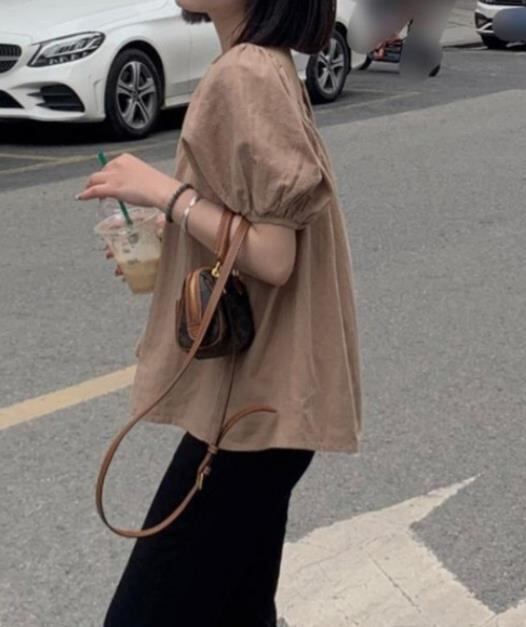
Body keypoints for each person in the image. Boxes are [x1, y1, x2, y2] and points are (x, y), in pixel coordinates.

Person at [78, 1, 362, 625]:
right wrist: (173, 229)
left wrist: (162, 192)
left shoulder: (245, 73)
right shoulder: (263, 64)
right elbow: (256, 216)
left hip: (251, 412)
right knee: (238, 607)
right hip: (267, 404)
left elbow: (274, 255)